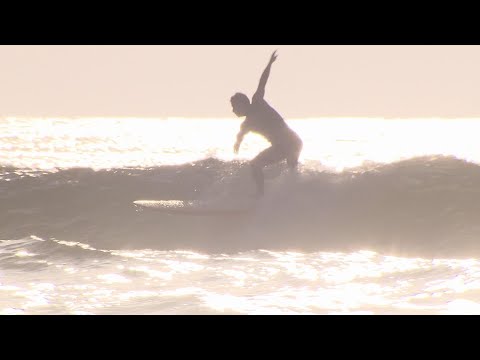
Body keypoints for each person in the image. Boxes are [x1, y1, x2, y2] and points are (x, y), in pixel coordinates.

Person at [231, 50, 303, 197]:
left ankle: (261, 197)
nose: (233, 110)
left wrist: (269, 64)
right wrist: (237, 144)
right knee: (290, 172)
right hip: (290, 143)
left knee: (256, 165)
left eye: (234, 106)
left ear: (243, 104)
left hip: (289, 142)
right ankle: (291, 199)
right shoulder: (246, 124)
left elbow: (262, 81)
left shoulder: (257, 101)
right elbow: (240, 135)